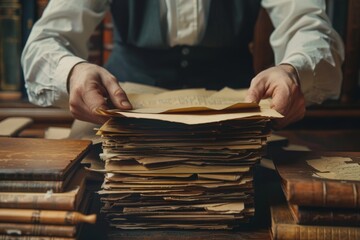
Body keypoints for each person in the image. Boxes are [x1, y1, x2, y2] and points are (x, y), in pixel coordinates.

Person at [21, 0, 344, 128]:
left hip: (235, 113)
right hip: (121, 111)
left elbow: (309, 25)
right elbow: (47, 38)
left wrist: (292, 71)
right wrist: (73, 72)